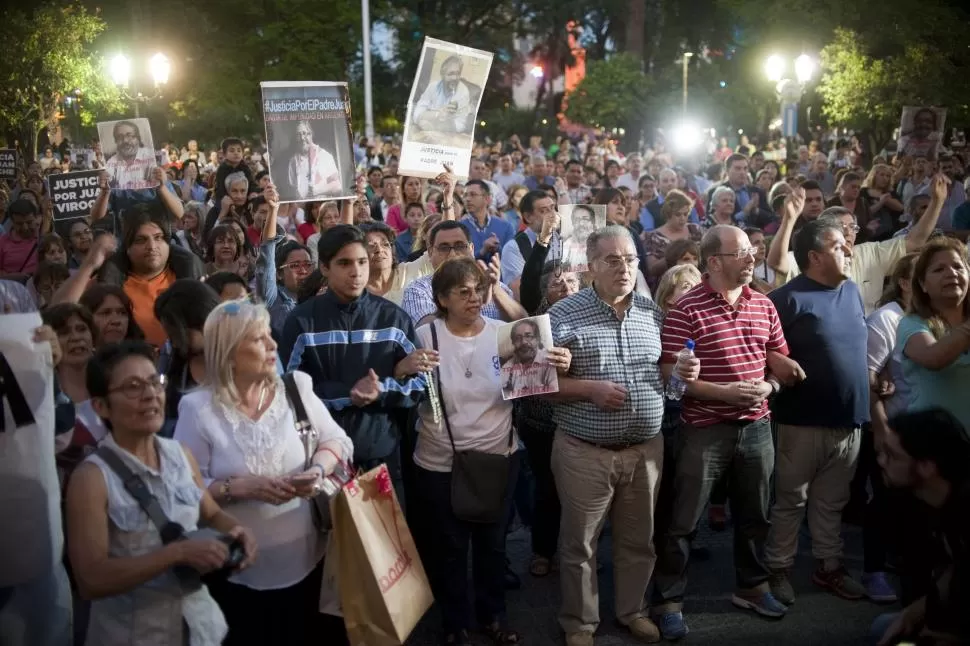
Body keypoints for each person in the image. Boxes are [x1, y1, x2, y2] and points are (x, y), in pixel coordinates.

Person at [546, 225, 700, 646]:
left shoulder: (654, 314)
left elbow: (667, 384)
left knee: (639, 541)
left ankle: (633, 611)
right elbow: (540, 387)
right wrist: (587, 388)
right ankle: (580, 623)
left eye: (630, 259)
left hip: (646, 449)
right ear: (591, 266)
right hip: (584, 451)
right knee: (580, 545)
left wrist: (682, 375)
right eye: (613, 260)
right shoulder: (562, 315)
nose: (624, 268)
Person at [174, 301, 353, 645]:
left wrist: (316, 471)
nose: (273, 345)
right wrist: (237, 488)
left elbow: (337, 440)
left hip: (310, 565)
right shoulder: (198, 409)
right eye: (259, 339)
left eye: (270, 335)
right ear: (228, 353)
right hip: (238, 573)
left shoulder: (295, 388)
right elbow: (183, 490)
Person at [652, 225, 799, 638]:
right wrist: (724, 394)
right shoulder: (686, 309)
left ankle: (751, 587)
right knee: (683, 522)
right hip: (703, 430)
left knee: (755, 516)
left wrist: (769, 386)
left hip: (756, 426)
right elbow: (670, 376)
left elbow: (780, 363)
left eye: (753, 251)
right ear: (713, 262)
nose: (752, 258)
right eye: (742, 253)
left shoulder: (764, 306)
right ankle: (669, 599)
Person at [414, 257, 569, 645]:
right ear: (442, 298)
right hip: (440, 461)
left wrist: (559, 363)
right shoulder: (424, 335)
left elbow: (537, 378)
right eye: (462, 292)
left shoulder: (504, 333)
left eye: (478, 290)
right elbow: (408, 390)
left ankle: (492, 616)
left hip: (498, 456)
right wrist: (403, 368)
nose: (473, 298)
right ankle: (455, 623)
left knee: (492, 545)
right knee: (449, 548)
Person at [65, 341, 257, 646]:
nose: (150, 394)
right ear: (101, 406)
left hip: (201, 629)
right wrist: (175, 554)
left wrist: (235, 531)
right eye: (132, 387)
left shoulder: (180, 454)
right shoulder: (91, 479)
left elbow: (210, 512)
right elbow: (91, 580)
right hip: (135, 635)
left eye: (155, 381)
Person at [765, 218, 869, 605]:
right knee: (791, 501)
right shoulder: (785, 299)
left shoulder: (853, 292)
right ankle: (777, 569)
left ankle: (829, 567)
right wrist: (774, 358)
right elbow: (758, 345)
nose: (850, 250)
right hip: (801, 421)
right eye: (840, 245)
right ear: (814, 256)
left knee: (832, 502)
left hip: (849, 420)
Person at [280, 225, 427, 493]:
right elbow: (288, 392)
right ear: (324, 268)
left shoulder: (393, 318)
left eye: (362, 262)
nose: (356, 271)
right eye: (344, 263)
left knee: (383, 535)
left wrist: (382, 389)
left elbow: (421, 385)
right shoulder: (301, 321)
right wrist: (348, 394)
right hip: (321, 458)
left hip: (381, 455)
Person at [767, 174, 948, 313]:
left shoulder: (871, 253)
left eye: (852, 226)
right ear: (824, 232)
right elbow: (777, 262)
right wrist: (789, 219)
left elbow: (915, 241)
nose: (847, 231)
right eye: (840, 226)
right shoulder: (811, 258)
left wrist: (937, 202)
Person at [870, 409, 970, 646]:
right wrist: (914, 612)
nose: (881, 461)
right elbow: (955, 570)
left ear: (927, 466)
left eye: (892, 456)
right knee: (883, 627)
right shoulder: (923, 499)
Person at [896, 237, 970, 429]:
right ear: (922, 285)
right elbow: (934, 358)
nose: (951, 273)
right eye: (939, 269)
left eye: (958, 267)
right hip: (932, 446)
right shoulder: (911, 324)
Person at [412, 55, 473, 136]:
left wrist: (442, 124)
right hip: (428, 132)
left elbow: (461, 125)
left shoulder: (463, 92)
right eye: (450, 74)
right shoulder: (432, 87)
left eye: (458, 73)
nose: (454, 78)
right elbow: (417, 113)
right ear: (442, 74)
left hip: (448, 134)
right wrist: (437, 114)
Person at [500, 318, 558, 399]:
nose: (523, 342)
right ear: (513, 343)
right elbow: (496, 389)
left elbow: (555, 393)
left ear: (537, 340)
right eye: (517, 338)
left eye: (528, 336)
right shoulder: (510, 364)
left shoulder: (549, 359)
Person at [286, 120, 341, 200]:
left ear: (311, 134)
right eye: (298, 134)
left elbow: (337, 186)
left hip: (323, 207)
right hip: (304, 207)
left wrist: (316, 191)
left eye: (305, 133)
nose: (302, 138)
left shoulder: (324, 156)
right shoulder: (293, 161)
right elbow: (293, 189)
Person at [103, 120, 156, 190]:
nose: (125, 140)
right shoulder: (112, 161)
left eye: (130, 136)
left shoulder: (150, 156)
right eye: (120, 137)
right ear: (116, 141)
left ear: (138, 139)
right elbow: (108, 176)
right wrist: (104, 179)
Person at [0, 198, 41, 279]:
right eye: (19, 224)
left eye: (29, 222)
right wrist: (11, 277)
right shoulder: (2, 243)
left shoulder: (45, 238)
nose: (25, 228)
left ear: (37, 218)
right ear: (12, 221)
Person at [561, 204, 598, 272]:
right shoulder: (565, 246)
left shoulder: (601, 245)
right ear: (573, 224)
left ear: (592, 222)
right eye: (577, 220)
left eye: (585, 219)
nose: (581, 223)